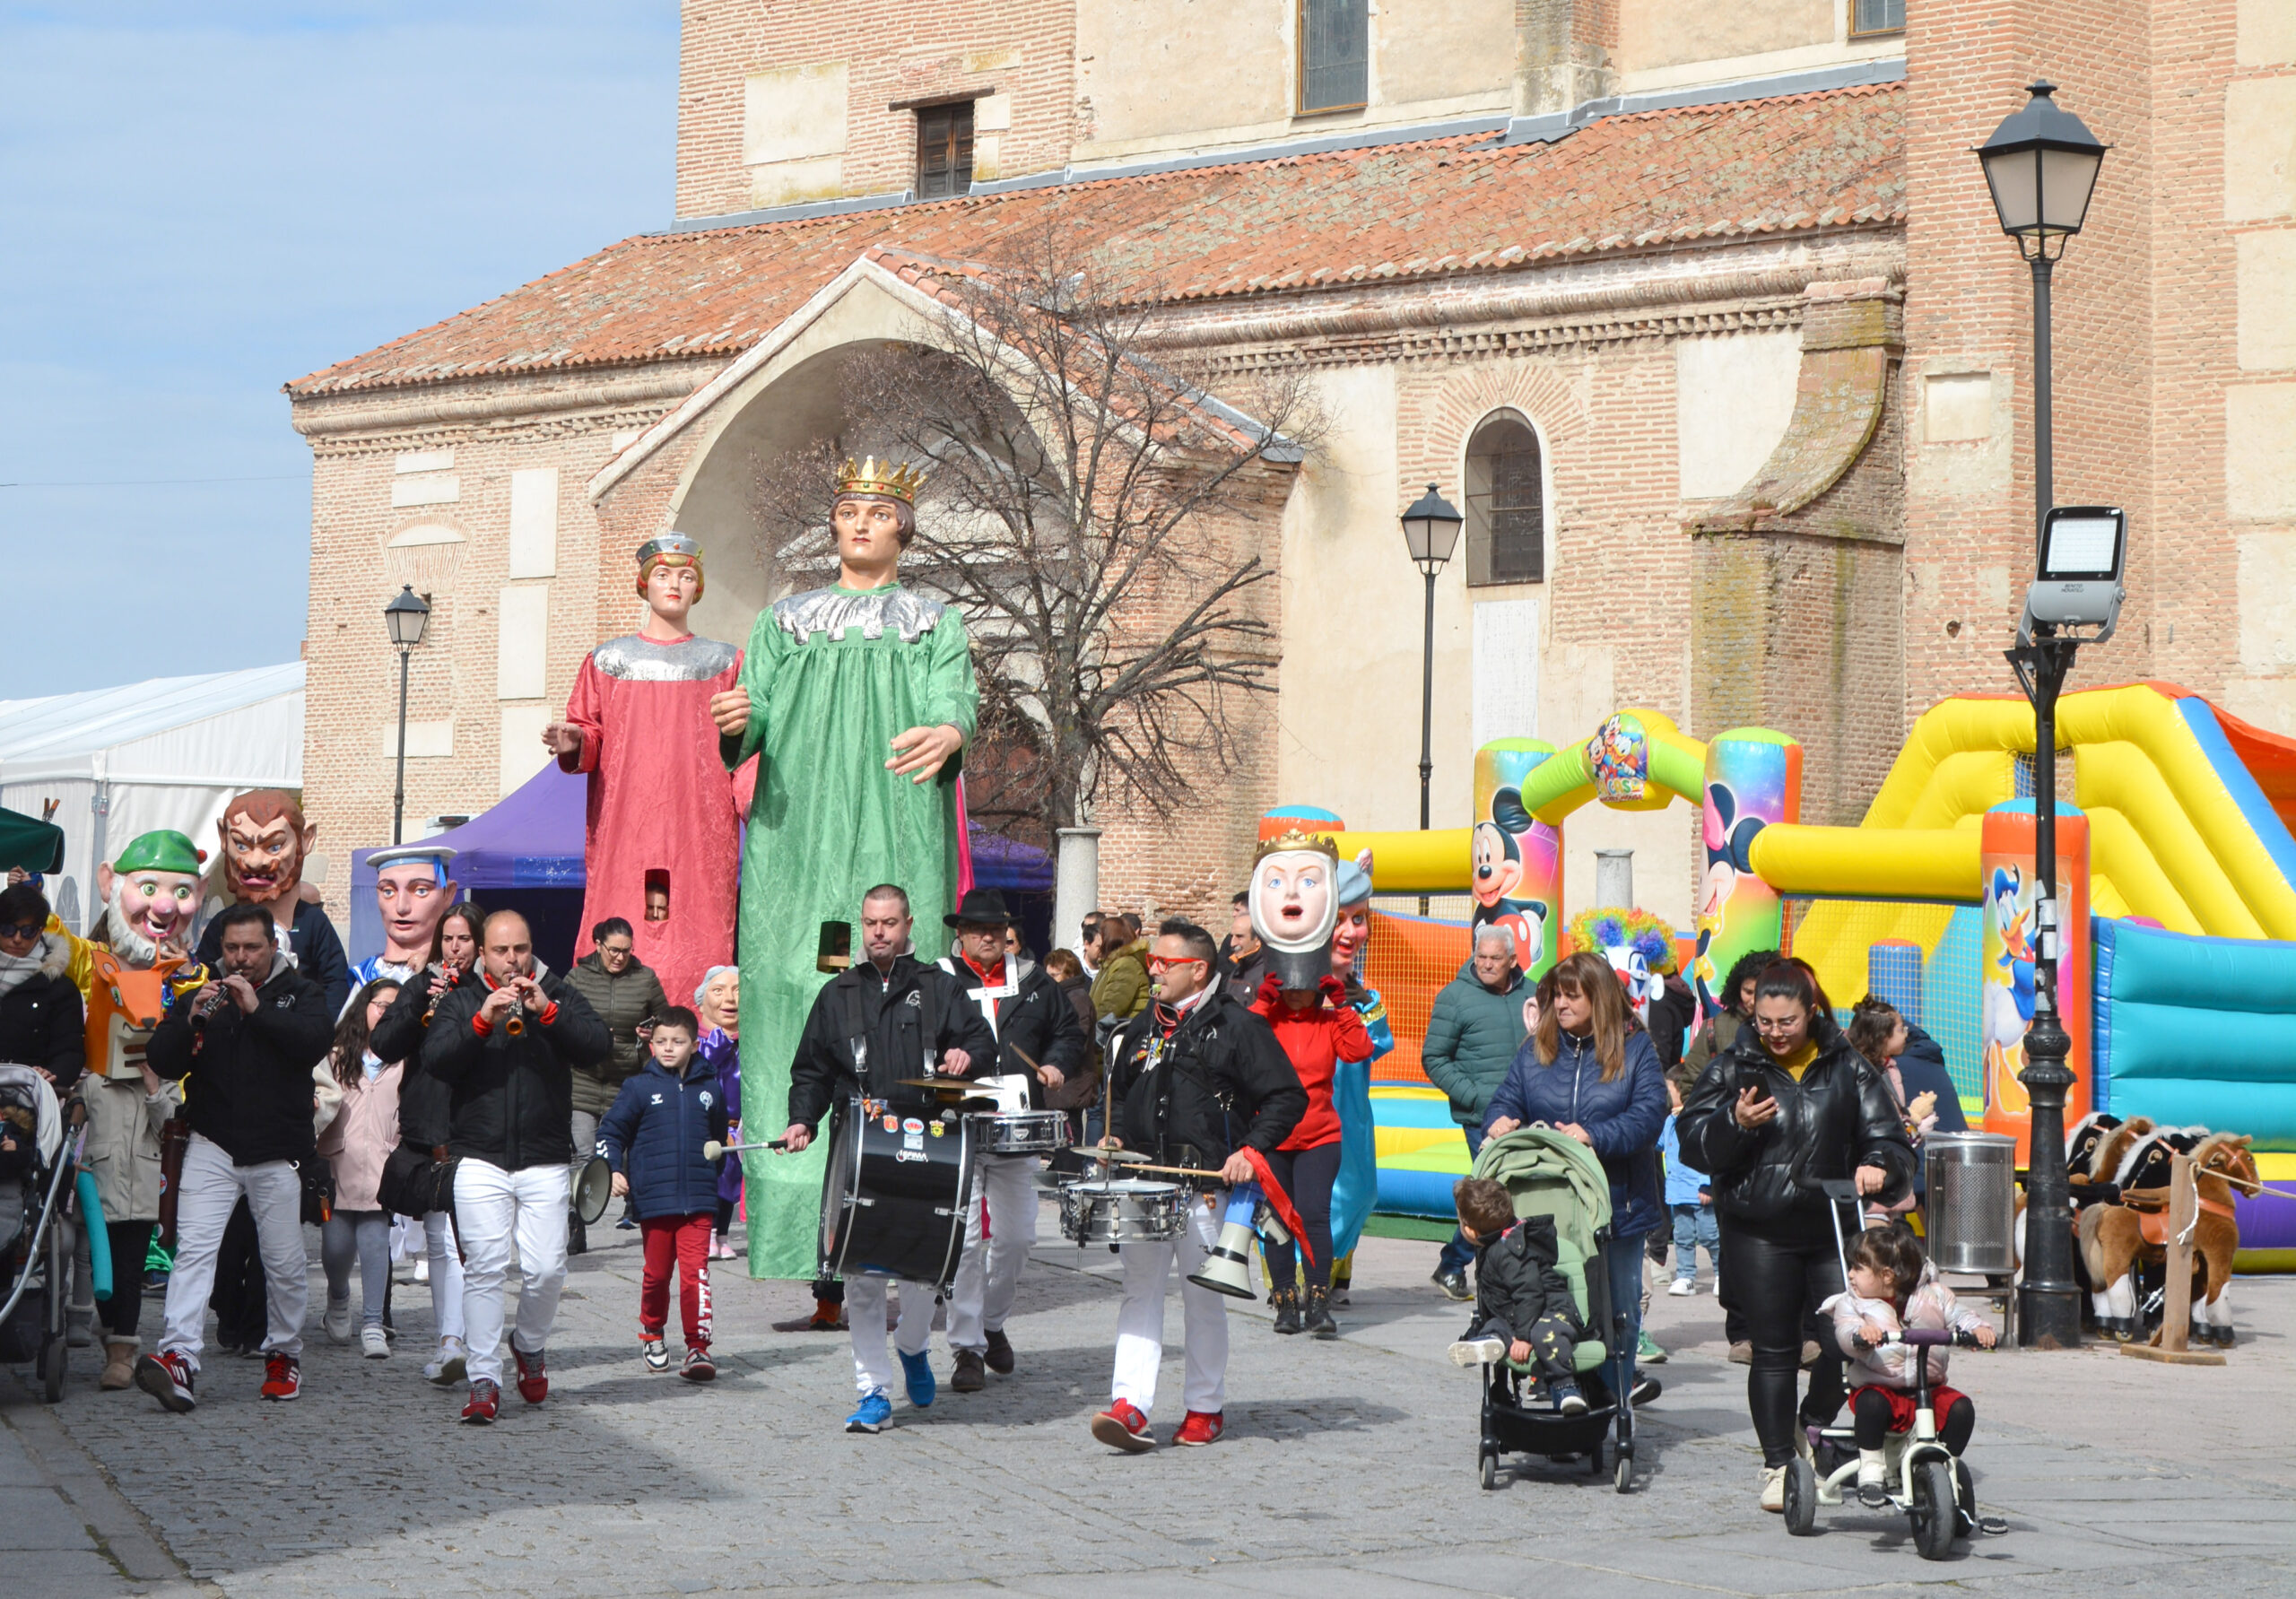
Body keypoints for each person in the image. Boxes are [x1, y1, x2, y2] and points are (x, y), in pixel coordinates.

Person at [711, 456, 978, 1283]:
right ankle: (800, 1243)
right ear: (833, 525)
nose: (860, 522)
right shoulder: (783, 621)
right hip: (800, 830)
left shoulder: (935, 620)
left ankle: (900, 1234)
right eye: (848, 509)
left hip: (894, 814)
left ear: (904, 524)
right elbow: (747, 717)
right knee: (796, 991)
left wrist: (953, 732)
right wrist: (738, 718)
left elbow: (956, 700)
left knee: (906, 1004)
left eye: (877, 510)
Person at [1674, 958, 1915, 1511]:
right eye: (1765, 1023)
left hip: (1833, 1228)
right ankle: (1779, 1463)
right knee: (1775, 1350)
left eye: (1787, 1022)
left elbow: (1891, 1138)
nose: (1776, 1034)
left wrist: (1879, 1163)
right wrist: (1735, 1124)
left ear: (1811, 1012)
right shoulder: (1734, 1066)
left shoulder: (1848, 1066)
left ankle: (1813, 1426)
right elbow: (1691, 1141)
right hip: (1758, 1230)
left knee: (1848, 1342)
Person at [778, 884, 995, 1433]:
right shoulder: (837, 994)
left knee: (923, 1270)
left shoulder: (939, 987)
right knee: (862, 1276)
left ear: (908, 925)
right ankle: (873, 1389)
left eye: (890, 923)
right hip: (859, 1148)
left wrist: (967, 1054)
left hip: (929, 1143)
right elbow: (811, 1070)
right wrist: (803, 1117)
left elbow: (982, 1041)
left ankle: (914, 1345)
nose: (879, 932)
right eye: (871, 923)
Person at [1089, 920, 1305, 1453]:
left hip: (1207, 1189)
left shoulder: (1238, 1026)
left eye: (1163, 962)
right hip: (1145, 1182)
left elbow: (1286, 1098)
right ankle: (1130, 1405)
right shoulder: (1136, 1030)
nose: (1153, 969)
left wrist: (1250, 1151)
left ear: (1198, 970)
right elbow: (1118, 1100)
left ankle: (1205, 1408)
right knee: (1139, 1293)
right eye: (1152, 962)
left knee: (1202, 1300)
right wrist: (1112, 1137)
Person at [135, 904, 333, 1412]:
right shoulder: (207, 992)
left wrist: (257, 1010)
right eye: (231, 949)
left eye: (251, 948)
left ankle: (284, 1353)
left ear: (272, 947)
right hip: (212, 1141)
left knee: (284, 1263)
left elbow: (311, 1044)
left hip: (278, 1151)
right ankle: (179, 1356)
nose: (240, 959)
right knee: (195, 1252)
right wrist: (191, 1019)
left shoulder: (302, 993)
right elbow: (161, 1058)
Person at [422, 909, 613, 1424]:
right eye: (502, 951)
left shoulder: (557, 991)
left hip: (545, 1156)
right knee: (483, 1270)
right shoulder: (462, 998)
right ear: (482, 952)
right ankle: (484, 1378)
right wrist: (481, 1021)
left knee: (548, 1268)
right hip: (479, 1157)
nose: (513, 961)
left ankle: (528, 1343)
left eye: (521, 950)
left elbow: (599, 1048)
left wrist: (549, 1012)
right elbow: (436, 1060)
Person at [546, 531, 748, 1005]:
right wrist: (574, 740)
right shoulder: (607, 662)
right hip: (627, 821)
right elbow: (589, 730)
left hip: (698, 822)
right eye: (662, 575)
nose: (674, 584)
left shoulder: (726, 662)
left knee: (696, 930)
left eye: (686, 576)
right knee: (621, 913)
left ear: (698, 588)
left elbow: (746, 746)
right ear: (644, 585)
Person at [1483, 950, 1668, 1408]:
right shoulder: (1536, 1050)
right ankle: (1570, 1399)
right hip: (1552, 1210)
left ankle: (1614, 1401)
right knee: (1559, 1305)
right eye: (1556, 997)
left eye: (1572, 996)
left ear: (1599, 998)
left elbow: (1649, 1115)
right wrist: (1499, 1120)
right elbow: (1505, 1099)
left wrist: (1595, 1135)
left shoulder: (1635, 1049)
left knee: (1618, 1311)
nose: (1560, 1006)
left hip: (1619, 1205)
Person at [936, 888, 1088, 1391]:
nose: (987, 937)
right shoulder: (937, 981)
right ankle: (966, 1350)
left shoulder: (1036, 982)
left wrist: (1056, 1064)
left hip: (1016, 1126)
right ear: (959, 934)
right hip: (957, 1128)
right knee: (965, 1243)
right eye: (977, 929)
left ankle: (992, 1322)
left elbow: (1068, 1033)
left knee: (1020, 1237)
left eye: (996, 930)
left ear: (1007, 934)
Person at [1246, 864, 1372, 1338]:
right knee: (1278, 1217)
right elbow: (1239, 1053)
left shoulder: (1325, 1018)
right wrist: (1261, 1005)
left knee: (1314, 1213)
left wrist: (1340, 1006)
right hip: (1273, 1135)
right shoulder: (1266, 1019)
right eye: (1291, 988)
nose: (1298, 996)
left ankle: (1318, 1301)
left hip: (1320, 1132)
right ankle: (1284, 1301)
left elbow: (1358, 1051)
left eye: (1305, 987)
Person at [370, 899, 483, 1384]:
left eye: (464, 939)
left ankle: (468, 1340)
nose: (455, 949)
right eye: (448, 939)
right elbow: (382, 1045)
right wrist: (418, 1002)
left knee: (470, 1243)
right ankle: (449, 1341)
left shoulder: (487, 989)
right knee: (438, 1240)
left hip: (475, 1123)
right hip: (427, 1121)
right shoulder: (420, 986)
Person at [598, 1006, 729, 1382]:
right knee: (657, 1275)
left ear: (694, 1043)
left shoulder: (710, 1088)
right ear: (651, 1044)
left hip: (700, 1201)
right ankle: (652, 1331)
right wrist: (613, 1169)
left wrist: (709, 1178)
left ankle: (697, 1348)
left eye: (678, 1042)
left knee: (696, 1276)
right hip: (654, 1200)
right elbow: (610, 1133)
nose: (668, 1048)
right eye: (661, 1042)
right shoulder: (638, 1087)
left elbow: (718, 1140)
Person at [1826, 1223, 1995, 1505]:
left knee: (1961, 1409)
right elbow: (1845, 1330)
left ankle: (1942, 1464)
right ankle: (1871, 1466)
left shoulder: (1934, 1295)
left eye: (1857, 1268)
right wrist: (1861, 1336)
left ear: (1887, 1275)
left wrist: (1978, 1329)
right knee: (1871, 1405)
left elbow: (1960, 1315)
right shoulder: (1853, 1304)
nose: (1850, 1275)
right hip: (1879, 1386)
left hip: (1927, 1389)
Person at [1423, 923, 1531, 1299]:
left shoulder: (1533, 996)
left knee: (1516, 1192)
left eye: (1495, 958)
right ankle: (1457, 1265)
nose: (1486, 964)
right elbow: (1434, 1058)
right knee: (1493, 1194)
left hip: (1527, 1116)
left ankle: (1470, 1266)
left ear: (1513, 960)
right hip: (1482, 1118)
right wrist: (1472, 1097)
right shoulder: (1454, 997)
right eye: (1481, 957)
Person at [1681, 945, 1772, 1360]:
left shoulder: (1797, 1028)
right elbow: (1690, 1086)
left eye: (1765, 989)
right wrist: (1726, 1116)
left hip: (1780, 1150)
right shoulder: (1718, 1030)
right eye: (1750, 991)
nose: (1756, 1000)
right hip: (1731, 1150)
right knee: (1733, 1243)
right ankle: (1742, 1331)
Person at [563, 916, 671, 1247]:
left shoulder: (645, 979)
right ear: (597, 945)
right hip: (583, 1080)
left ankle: (637, 1206)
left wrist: (652, 1031)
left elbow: (667, 1021)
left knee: (627, 1153)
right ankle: (576, 1223)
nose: (620, 957)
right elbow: (559, 1018)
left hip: (628, 1082)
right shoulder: (577, 978)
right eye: (613, 950)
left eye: (626, 951)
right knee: (583, 1155)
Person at [196, 790, 349, 1017]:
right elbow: (204, 976)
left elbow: (335, 982)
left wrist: (322, 1029)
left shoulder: (312, 922)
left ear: (305, 841)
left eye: (274, 846)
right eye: (241, 845)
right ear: (224, 838)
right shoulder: (223, 923)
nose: (256, 861)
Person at [1445, 1175, 1585, 1413]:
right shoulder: (1492, 1245)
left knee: (1544, 1334)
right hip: (1517, 1315)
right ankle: (1488, 1339)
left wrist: (1523, 1337)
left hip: (1551, 1311)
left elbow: (1530, 1293)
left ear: (1469, 1230)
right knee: (1495, 1324)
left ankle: (1565, 1387)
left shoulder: (1508, 1251)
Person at [317, 978, 404, 1359]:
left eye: (394, 1008)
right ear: (364, 1007)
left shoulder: (405, 1059)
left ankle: (372, 1323)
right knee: (335, 1248)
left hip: (383, 1166)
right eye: (379, 1004)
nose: (385, 1013)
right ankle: (338, 1297)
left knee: (374, 1244)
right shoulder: (336, 1055)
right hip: (339, 1163)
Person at [1321, 850, 1393, 1308]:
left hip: (1353, 1113)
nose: (1351, 932)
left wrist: (1357, 1005)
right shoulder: (1287, 992)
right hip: (1309, 1113)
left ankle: (1337, 1266)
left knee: (1361, 1190)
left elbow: (1379, 1044)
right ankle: (1302, 1279)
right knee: (1323, 1194)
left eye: (1359, 919)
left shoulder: (1365, 995)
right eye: (1339, 919)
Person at [0, 882, 85, 1090]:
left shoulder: (60, 989)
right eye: (8, 929)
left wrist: (51, 1075)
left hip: (28, 1098)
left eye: (27, 931)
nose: (17, 939)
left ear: (39, 932)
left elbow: (70, 1051)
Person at [348, 844, 460, 993]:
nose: (401, 907)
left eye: (421, 890)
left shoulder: (454, 973)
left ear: (448, 894)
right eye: (388, 892)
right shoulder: (366, 975)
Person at [693, 966, 744, 1260]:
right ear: (702, 1002)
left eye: (738, 991)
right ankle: (707, 1234)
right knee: (710, 1179)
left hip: (737, 1126)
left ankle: (723, 1235)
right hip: (710, 1125)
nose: (730, 999)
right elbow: (706, 1063)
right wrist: (724, 1037)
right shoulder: (702, 1042)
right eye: (719, 991)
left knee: (730, 1182)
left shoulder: (748, 1043)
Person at [1658, 1073, 1719, 1296]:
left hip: (1698, 1191)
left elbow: (1708, 1152)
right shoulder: (1669, 1120)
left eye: (1669, 1090)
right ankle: (1685, 1276)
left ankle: (1721, 1274)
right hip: (1678, 1192)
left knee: (1710, 1236)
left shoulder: (1697, 1118)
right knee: (1683, 1237)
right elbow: (1659, 1143)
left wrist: (1706, 1184)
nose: (1665, 1095)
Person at [1089, 913, 1149, 1025]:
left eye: (1101, 934)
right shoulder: (1110, 963)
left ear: (1109, 938)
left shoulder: (1125, 964)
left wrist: (1088, 1026)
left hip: (1121, 1033)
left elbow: (1112, 1007)